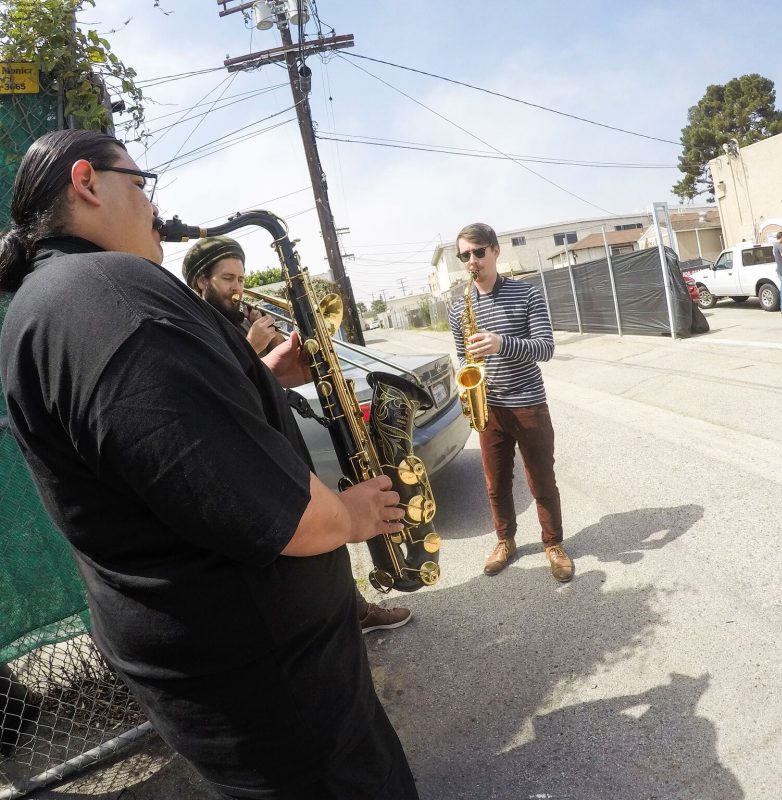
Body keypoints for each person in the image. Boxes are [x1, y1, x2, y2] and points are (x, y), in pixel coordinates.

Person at [0, 130, 419, 800]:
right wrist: (355, 515)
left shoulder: (53, 303)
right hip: (272, 681)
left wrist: (259, 378)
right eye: (141, 184)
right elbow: (272, 515)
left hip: (231, 670)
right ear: (87, 182)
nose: (153, 205)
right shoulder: (114, 297)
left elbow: (165, 445)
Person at [181, 236, 412, 635]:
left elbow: (259, 381)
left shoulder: (234, 318)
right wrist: (253, 348)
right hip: (254, 456)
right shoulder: (194, 326)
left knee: (323, 531)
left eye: (240, 277)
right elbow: (218, 393)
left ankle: (351, 610)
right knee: (306, 541)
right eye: (227, 278)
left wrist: (285, 361)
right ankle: (338, 620)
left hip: (281, 437)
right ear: (201, 281)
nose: (237, 287)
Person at [448, 222, 574, 582]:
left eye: (478, 252)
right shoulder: (459, 310)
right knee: (495, 484)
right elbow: (463, 359)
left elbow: (546, 348)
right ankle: (505, 541)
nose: (472, 261)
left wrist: (502, 343)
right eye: (465, 255)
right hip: (489, 409)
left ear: (495, 250)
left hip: (529, 403)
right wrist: (468, 393)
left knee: (542, 481)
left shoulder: (528, 294)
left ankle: (553, 544)